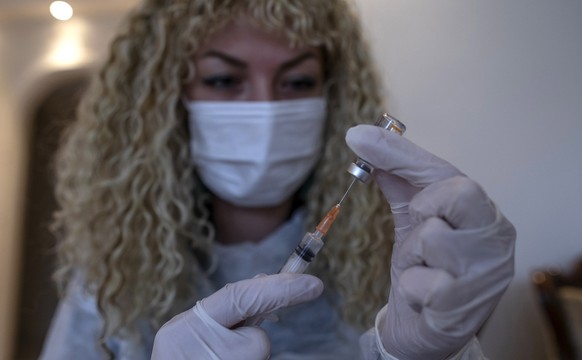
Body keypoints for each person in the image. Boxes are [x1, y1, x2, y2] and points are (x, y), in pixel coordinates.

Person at [40, 0, 516, 359]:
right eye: (224, 80)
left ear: (332, 94)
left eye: (297, 82)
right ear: (167, 99)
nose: (264, 108)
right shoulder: (116, 272)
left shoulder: (392, 261)